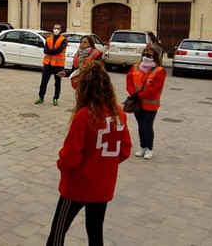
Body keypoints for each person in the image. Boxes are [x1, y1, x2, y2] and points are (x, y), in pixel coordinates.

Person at [46, 62, 132, 246]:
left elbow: (70, 156)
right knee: (95, 233)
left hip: (78, 186)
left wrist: (61, 164)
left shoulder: (85, 115)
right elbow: (125, 150)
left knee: (58, 232)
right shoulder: (119, 112)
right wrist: (104, 165)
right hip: (103, 186)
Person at [125, 47, 166, 160]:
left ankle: (149, 148)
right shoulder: (135, 67)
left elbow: (155, 89)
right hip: (137, 103)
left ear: (155, 57)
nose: (146, 57)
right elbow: (129, 81)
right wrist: (133, 93)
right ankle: (142, 146)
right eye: (144, 54)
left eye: (149, 55)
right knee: (140, 126)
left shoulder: (159, 71)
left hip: (150, 104)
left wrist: (139, 95)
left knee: (147, 126)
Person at [36, 24, 67, 106]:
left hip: (58, 65)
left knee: (57, 82)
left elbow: (59, 50)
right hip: (48, 64)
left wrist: (51, 51)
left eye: (58, 28)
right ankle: (41, 97)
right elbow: (45, 50)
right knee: (44, 81)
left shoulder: (63, 40)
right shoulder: (48, 39)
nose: (56, 30)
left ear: (60, 30)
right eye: (55, 28)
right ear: (53, 29)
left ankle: (56, 98)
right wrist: (53, 51)